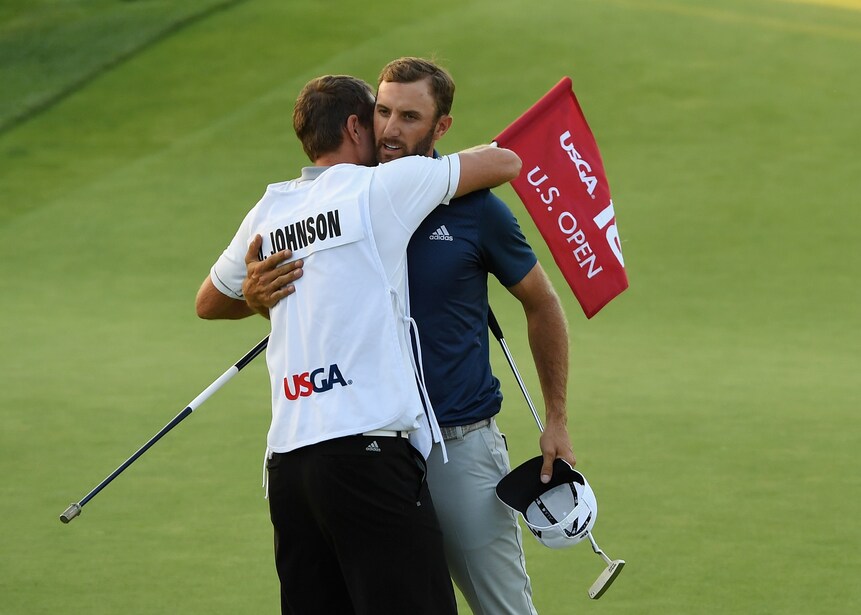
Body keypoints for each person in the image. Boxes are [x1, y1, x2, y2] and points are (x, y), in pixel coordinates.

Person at [244, 59, 575, 615]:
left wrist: (557, 418)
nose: (391, 129)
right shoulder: (338, 200)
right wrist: (254, 297)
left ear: (441, 128)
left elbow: (541, 303)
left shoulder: (475, 209)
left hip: (458, 444)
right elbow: (237, 298)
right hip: (371, 451)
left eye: (410, 116)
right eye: (383, 112)